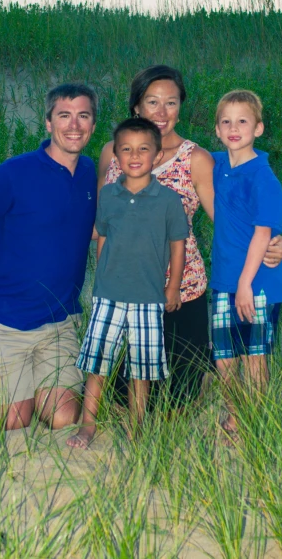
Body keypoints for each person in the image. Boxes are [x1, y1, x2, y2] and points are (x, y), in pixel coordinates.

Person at [98, 65, 282, 406]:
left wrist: (276, 240)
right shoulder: (112, 152)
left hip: (181, 292)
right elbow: (102, 223)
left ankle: (202, 366)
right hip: (125, 290)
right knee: (118, 396)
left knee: (173, 401)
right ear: (136, 106)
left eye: (170, 103)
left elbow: (233, 218)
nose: (161, 112)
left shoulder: (195, 159)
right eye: (152, 102)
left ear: (180, 107)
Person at [0, 83, 98, 431]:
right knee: (16, 421)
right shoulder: (14, 173)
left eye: (83, 116)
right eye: (64, 115)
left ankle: (21, 380)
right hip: (5, 321)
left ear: (92, 124)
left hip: (58, 324)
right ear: (48, 123)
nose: (73, 125)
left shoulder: (90, 171)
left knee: (63, 418)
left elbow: (85, 227)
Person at [67, 118, 189, 448]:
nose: (134, 156)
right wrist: (99, 280)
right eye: (126, 150)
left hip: (148, 298)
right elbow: (103, 238)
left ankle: (137, 429)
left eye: (143, 149)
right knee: (98, 365)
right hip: (109, 295)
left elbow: (178, 246)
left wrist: (173, 286)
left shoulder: (168, 201)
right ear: (116, 156)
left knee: (141, 370)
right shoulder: (108, 195)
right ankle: (88, 425)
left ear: (157, 155)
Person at [211, 90, 282, 440]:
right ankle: (235, 412)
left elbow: (263, 234)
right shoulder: (218, 166)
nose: (234, 127)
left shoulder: (263, 177)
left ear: (258, 128)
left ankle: (255, 419)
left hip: (256, 284)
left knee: (254, 357)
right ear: (217, 130)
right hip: (223, 280)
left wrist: (245, 285)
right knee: (224, 358)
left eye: (243, 121)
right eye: (226, 121)